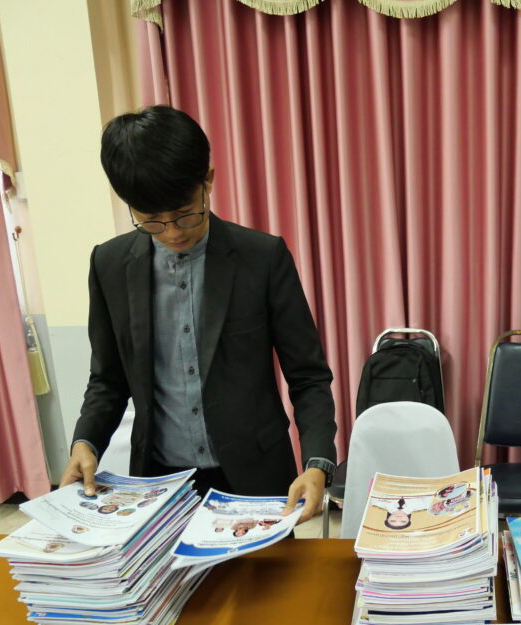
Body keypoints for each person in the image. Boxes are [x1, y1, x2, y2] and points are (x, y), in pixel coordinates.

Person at [58, 106, 337, 521]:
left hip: (255, 477)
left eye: (185, 213)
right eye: (152, 221)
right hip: (160, 482)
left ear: (207, 180)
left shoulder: (261, 258)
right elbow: (107, 380)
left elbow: (308, 377)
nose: (173, 232)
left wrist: (317, 463)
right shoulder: (109, 265)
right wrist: (86, 442)